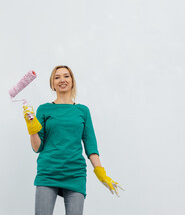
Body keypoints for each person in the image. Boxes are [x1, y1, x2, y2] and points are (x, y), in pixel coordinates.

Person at [23, 65, 124, 215]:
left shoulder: (83, 111)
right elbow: (37, 148)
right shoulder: (44, 109)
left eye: (66, 76)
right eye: (57, 77)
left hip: (75, 174)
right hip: (48, 172)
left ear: (72, 81)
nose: (62, 80)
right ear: (52, 84)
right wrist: (32, 128)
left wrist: (100, 172)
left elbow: (91, 146)